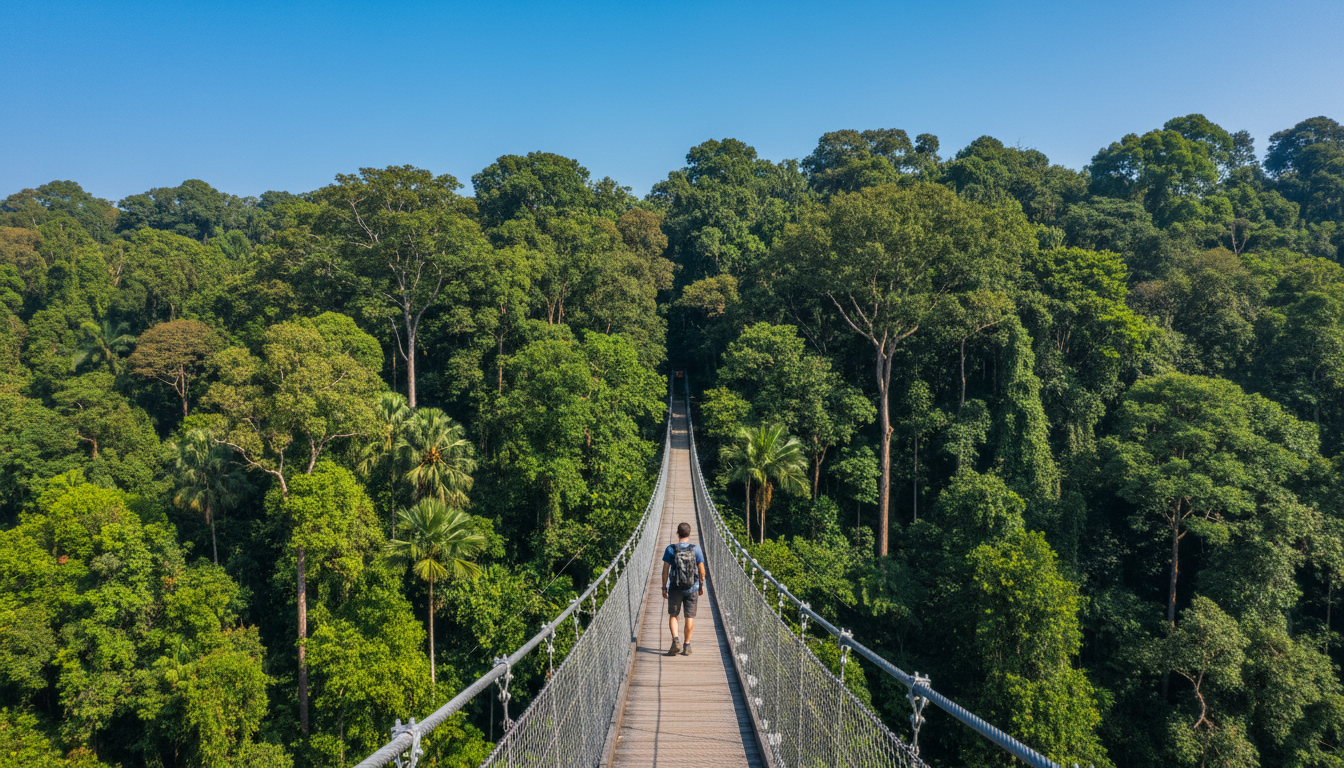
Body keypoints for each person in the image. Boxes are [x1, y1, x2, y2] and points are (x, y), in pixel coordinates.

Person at [661, 522, 706, 656]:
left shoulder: (670, 549)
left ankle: (675, 641)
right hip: (692, 587)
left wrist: (664, 587)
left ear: (677, 533)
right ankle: (687, 646)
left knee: (674, 615)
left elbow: (665, 571)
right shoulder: (696, 549)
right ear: (689, 533)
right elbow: (702, 571)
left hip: (675, 587)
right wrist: (701, 586)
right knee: (689, 616)